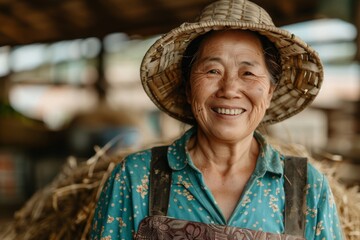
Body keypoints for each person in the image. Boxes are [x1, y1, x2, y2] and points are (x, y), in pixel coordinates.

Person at [90, 0, 343, 239]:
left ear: (269, 92)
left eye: (248, 72)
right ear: (189, 89)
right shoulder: (136, 178)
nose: (230, 89)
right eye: (213, 70)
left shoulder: (306, 187)